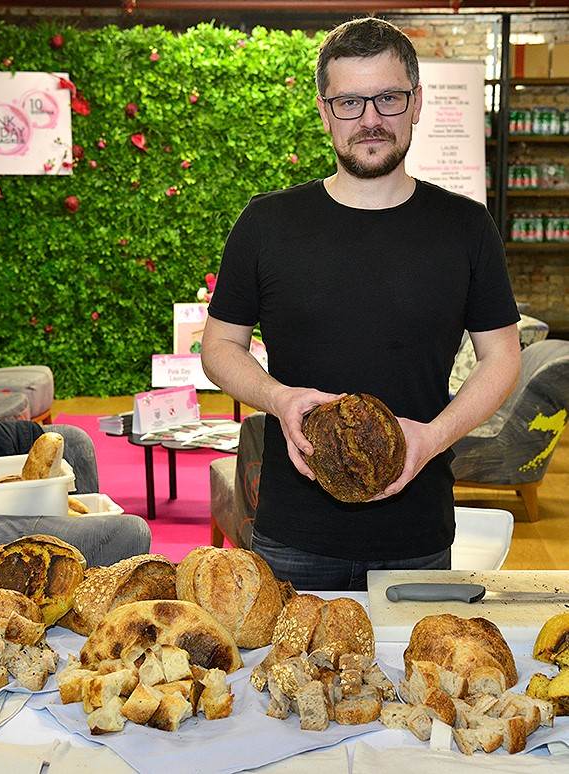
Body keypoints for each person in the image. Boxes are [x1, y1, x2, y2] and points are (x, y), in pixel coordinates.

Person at [201, 17, 521, 591]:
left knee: (416, 677)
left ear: (416, 103)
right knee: (287, 680)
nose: (370, 119)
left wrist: (431, 437)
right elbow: (220, 346)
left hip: (417, 534)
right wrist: (280, 397)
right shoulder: (267, 223)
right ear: (324, 111)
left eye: (388, 98)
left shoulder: (466, 227)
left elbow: (502, 357)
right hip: (292, 533)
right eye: (349, 102)